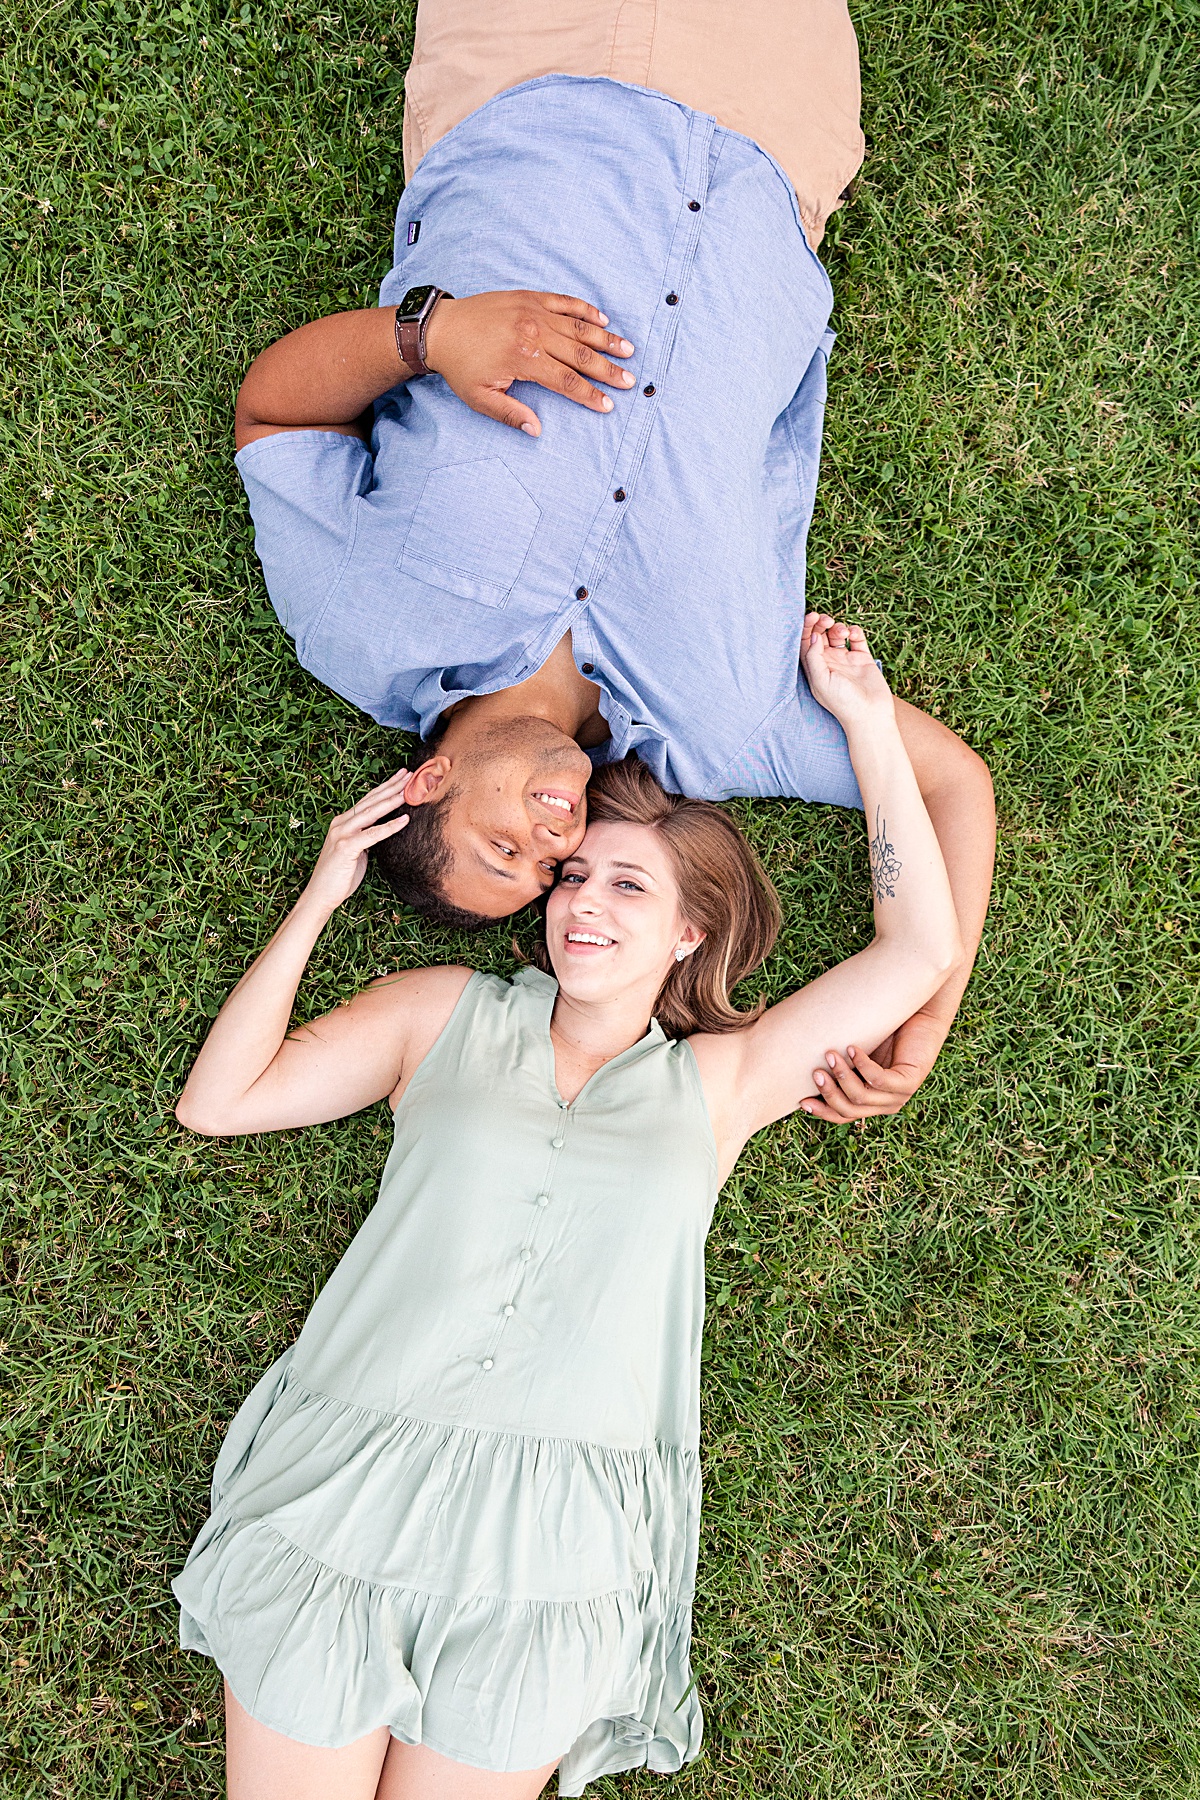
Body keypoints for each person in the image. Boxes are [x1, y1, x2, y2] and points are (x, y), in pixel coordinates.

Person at [170, 617, 963, 1799]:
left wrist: (863, 722)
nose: (581, 901)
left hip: (558, 1541)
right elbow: (219, 1103)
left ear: (690, 928)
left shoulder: (721, 1085)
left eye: (625, 882)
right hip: (351, 1482)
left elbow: (920, 946)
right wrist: (324, 891)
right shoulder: (441, 1013)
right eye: (570, 873)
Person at [232, 0, 995, 1122]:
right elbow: (949, 785)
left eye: (504, 844)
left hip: (526, 75)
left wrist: (430, 337)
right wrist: (929, 997)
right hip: (771, 120)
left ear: (427, 784)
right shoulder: (721, 725)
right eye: (545, 872)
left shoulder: (356, 626)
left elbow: (273, 415)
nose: (552, 843)